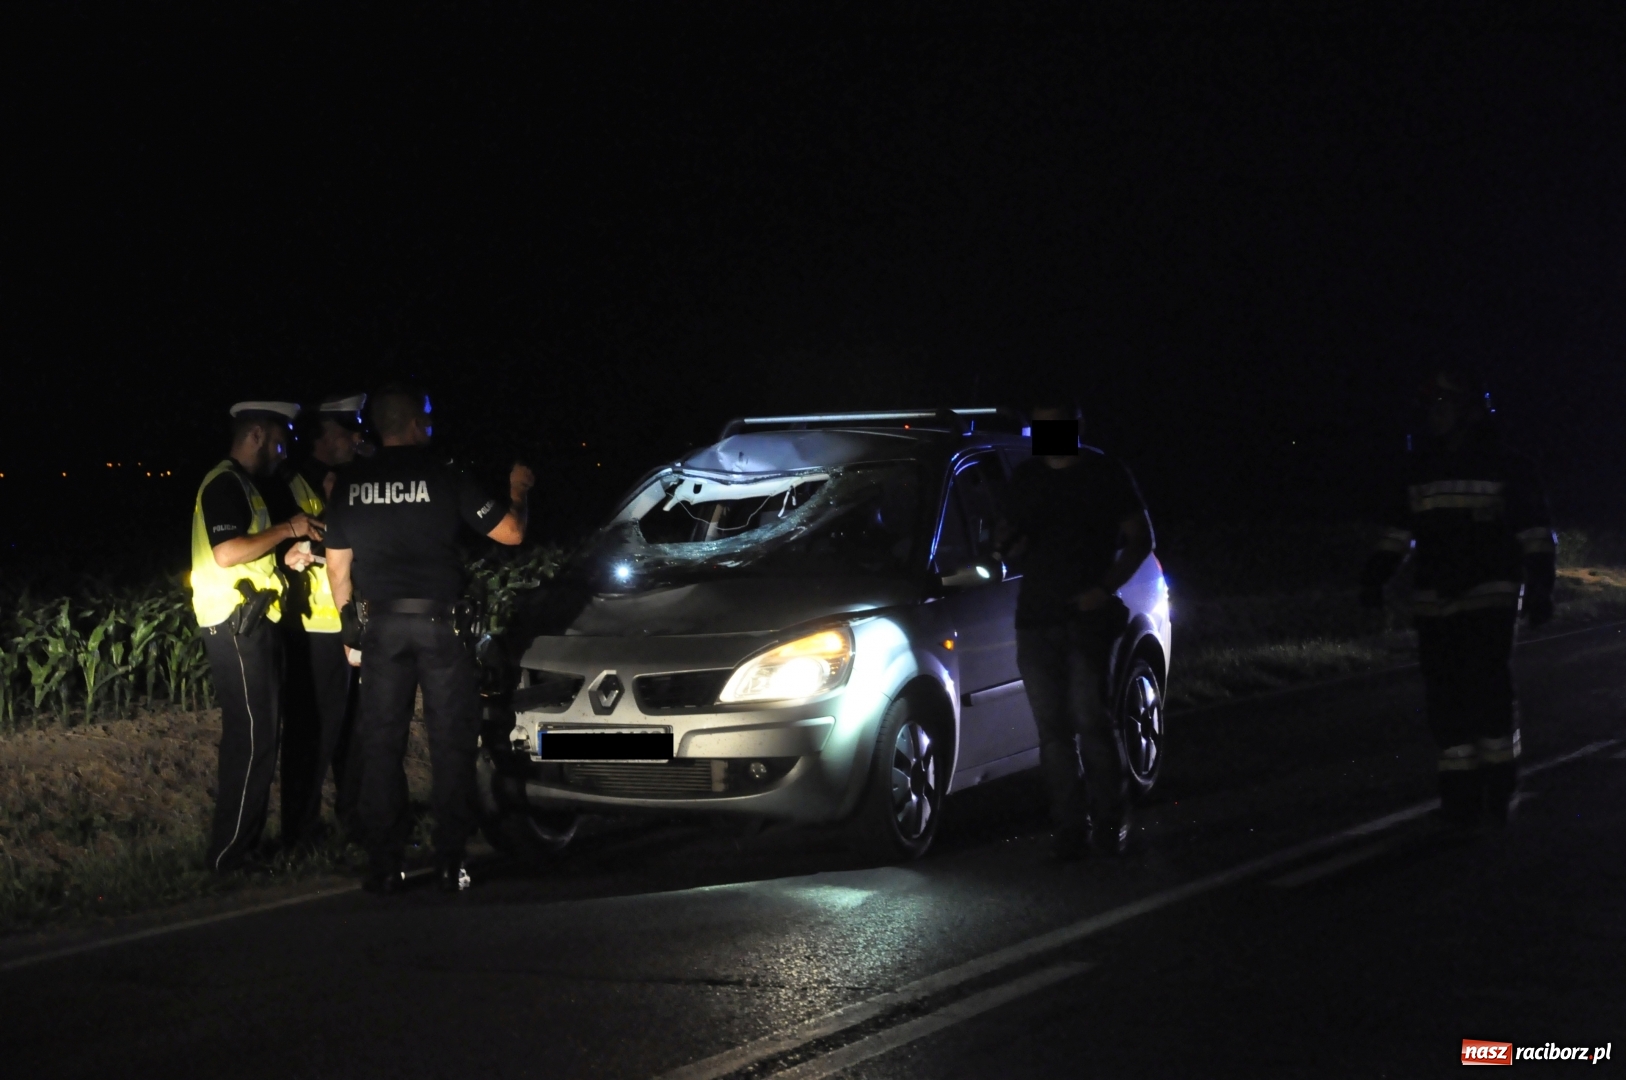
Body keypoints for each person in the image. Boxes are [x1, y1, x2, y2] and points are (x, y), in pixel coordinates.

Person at [323, 385, 533, 894]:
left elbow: (337, 567)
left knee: (381, 744)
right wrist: (520, 492)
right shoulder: (446, 473)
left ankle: (385, 864)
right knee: (450, 745)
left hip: (380, 629)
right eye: (429, 417)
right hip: (442, 627)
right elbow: (510, 534)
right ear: (416, 422)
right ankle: (450, 860)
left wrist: (351, 632)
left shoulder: (351, 484)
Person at [1360, 371, 1555, 827]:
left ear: (1469, 412)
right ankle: (1460, 797)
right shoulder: (1420, 469)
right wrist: (1374, 579)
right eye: (1432, 406)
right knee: (1446, 702)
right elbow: (1396, 534)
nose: (1436, 415)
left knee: (1487, 693)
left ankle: (1498, 792)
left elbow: (1534, 533)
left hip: (1491, 595)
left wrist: (1542, 587)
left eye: (1445, 405)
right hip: (1434, 601)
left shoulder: (1507, 465)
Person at [997, 404, 1155, 860]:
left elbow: (1140, 538)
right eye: (1041, 426)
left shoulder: (1104, 473)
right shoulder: (1027, 477)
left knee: (1091, 719)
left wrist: (1104, 589)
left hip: (1086, 619)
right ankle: (1069, 827)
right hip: (1035, 618)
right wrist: (1006, 543)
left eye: (1057, 425)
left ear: (1076, 427)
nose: (1048, 434)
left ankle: (1109, 819)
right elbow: (1012, 538)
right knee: (1052, 730)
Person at [190, 401, 324, 872]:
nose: (286, 446)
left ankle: (239, 849)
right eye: (281, 435)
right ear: (257, 434)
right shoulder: (225, 483)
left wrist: (285, 558)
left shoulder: (244, 485)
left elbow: (251, 554)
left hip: (249, 621)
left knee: (257, 736)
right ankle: (230, 857)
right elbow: (228, 553)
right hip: (235, 624)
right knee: (252, 739)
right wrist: (289, 528)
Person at [275, 394, 368, 848]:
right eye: (346, 428)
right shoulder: (290, 484)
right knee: (313, 732)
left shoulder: (351, 481)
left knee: (353, 730)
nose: (356, 437)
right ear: (321, 435)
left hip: (350, 622)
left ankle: (353, 819)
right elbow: (294, 549)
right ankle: (301, 830)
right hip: (313, 627)